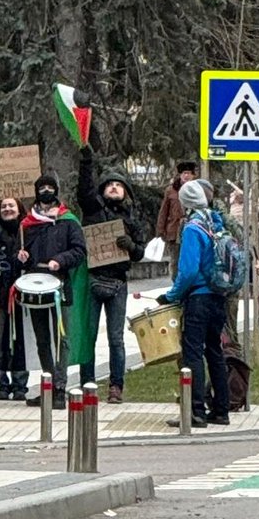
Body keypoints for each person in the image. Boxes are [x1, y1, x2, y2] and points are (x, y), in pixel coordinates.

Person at [76, 145, 148, 403]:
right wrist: (86, 161)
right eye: (110, 185)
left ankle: (116, 386)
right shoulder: (94, 211)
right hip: (93, 279)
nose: (114, 188)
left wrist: (130, 246)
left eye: (119, 185)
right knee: (89, 336)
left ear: (125, 192)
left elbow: (140, 251)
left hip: (118, 282)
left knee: (116, 340)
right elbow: (84, 190)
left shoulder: (132, 218)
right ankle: (87, 384)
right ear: (103, 190)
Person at [157, 179, 229, 427]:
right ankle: (221, 409)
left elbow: (187, 271)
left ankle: (196, 411)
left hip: (198, 297)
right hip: (219, 295)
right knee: (215, 351)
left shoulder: (192, 228)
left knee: (193, 353)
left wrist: (172, 295)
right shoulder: (216, 222)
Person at [19, 174, 87, 410]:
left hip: (60, 284)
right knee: (41, 338)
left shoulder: (67, 220)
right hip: (35, 284)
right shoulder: (28, 223)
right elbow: (21, 251)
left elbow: (79, 250)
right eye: (42, 187)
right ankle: (47, 383)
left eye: (50, 187)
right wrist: (22, 257)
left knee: (62, 338)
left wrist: (60, 260)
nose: (46, 191)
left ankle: (60, 387)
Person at [0, 197, 28, 399]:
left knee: (21, 340)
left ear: (19, 208)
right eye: (3, 206)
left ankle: (20, 384)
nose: (7, 209)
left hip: (22, 295)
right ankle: (2, 384)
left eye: (11, 205)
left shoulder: (27, 231)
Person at [157, 160, 197, 277]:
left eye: (189, 173)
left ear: (193, 175)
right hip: (174, 231)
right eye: (184, 173)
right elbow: (164, 211)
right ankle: (175, 284)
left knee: (190, 260)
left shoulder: (197, 190)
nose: (186, 175)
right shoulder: (171, 190)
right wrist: (160, 230)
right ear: (180, 174)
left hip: (193, 230)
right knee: (175, 260)